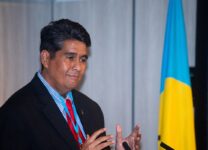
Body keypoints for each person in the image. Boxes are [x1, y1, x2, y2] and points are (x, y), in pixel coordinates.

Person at [0, 19, 141, 150]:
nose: (78, 67)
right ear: (46, 58)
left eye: (83, 59)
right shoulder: (15, 113)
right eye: (70, 58)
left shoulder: (92, 109)